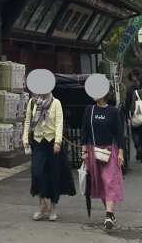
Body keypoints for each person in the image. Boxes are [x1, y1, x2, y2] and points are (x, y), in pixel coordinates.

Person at [23, 89, 75, 222]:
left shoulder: (56, 103)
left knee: (54, 174)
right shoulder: (32, 102)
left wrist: (58, 141)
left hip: (52, 142)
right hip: (38, 141)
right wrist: (24, 138)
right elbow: (28, 122)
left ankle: (53, 206)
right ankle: (42, 204)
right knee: (36, 171)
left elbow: (59, 123)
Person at [80, 87, 125, 230]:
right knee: (99, 183)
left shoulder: (113, 111)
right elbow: (85, 130)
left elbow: (119, 132)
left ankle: (109, 214)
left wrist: (121, 153)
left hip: (110, 151)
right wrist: (84, 151)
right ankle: (109, 213)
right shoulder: (89, 110)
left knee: (109, 181)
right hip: (94, 151)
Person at [124, 69, 142, 161]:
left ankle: (138, 147)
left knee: (135, 131)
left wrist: (127, 112)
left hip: (133, 111)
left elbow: (127, 102)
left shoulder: (130, 88)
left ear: (134, 76)